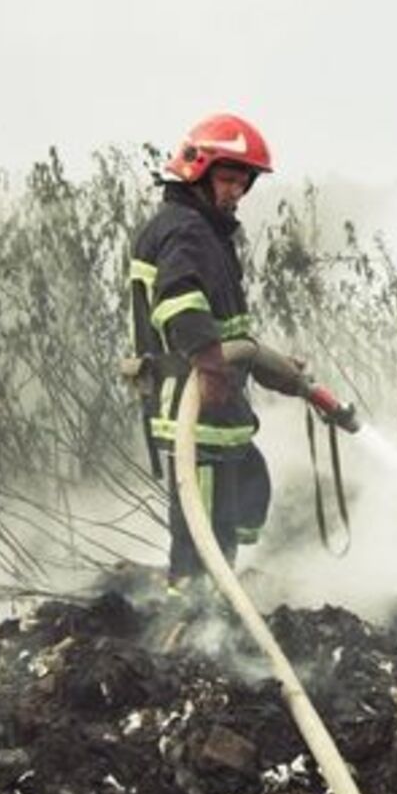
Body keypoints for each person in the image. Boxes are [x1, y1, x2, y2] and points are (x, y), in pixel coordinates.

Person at [128, 112, 299, 591]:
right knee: (199, 525)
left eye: (242, 183)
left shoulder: (203, 229)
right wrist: (210, 367)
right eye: (227, 179)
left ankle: (217, 602)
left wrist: (274, 368)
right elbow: (179, 303)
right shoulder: (186, 231)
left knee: (238, 497)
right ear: (197, 173)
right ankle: (194, 612)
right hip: (191, 398)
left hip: (214, 401)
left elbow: (228, 328)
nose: (235, 193)